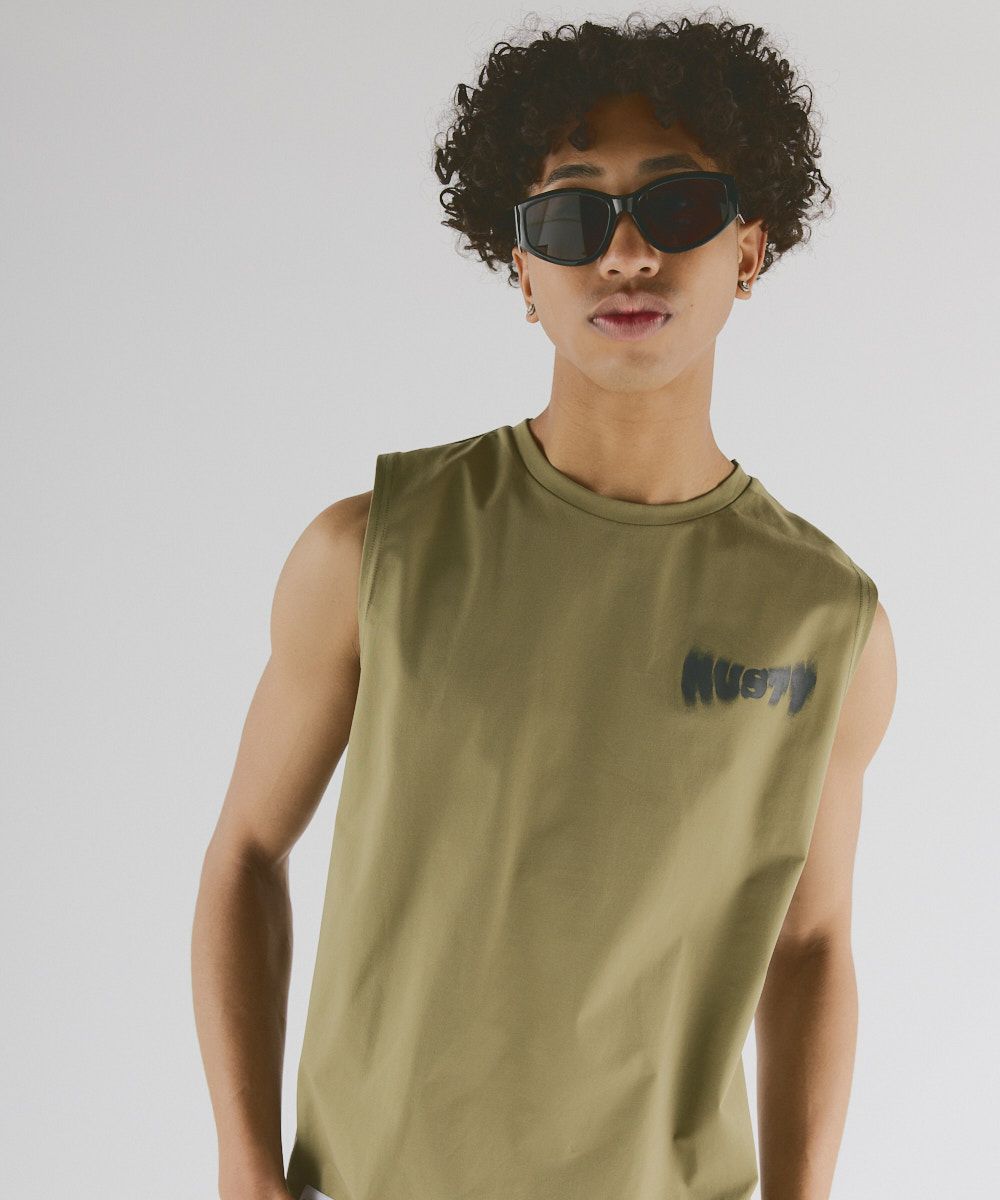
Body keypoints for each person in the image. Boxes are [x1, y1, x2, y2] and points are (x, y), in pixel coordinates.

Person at [192, 14, 897, 1200]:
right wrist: (245, 1167)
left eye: (677, 206)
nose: (625, 252)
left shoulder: (826, 622)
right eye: (572, 217)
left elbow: (811, 944)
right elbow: (247, 852)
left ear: (749, 248)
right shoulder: (373, 553)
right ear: (522, 270)